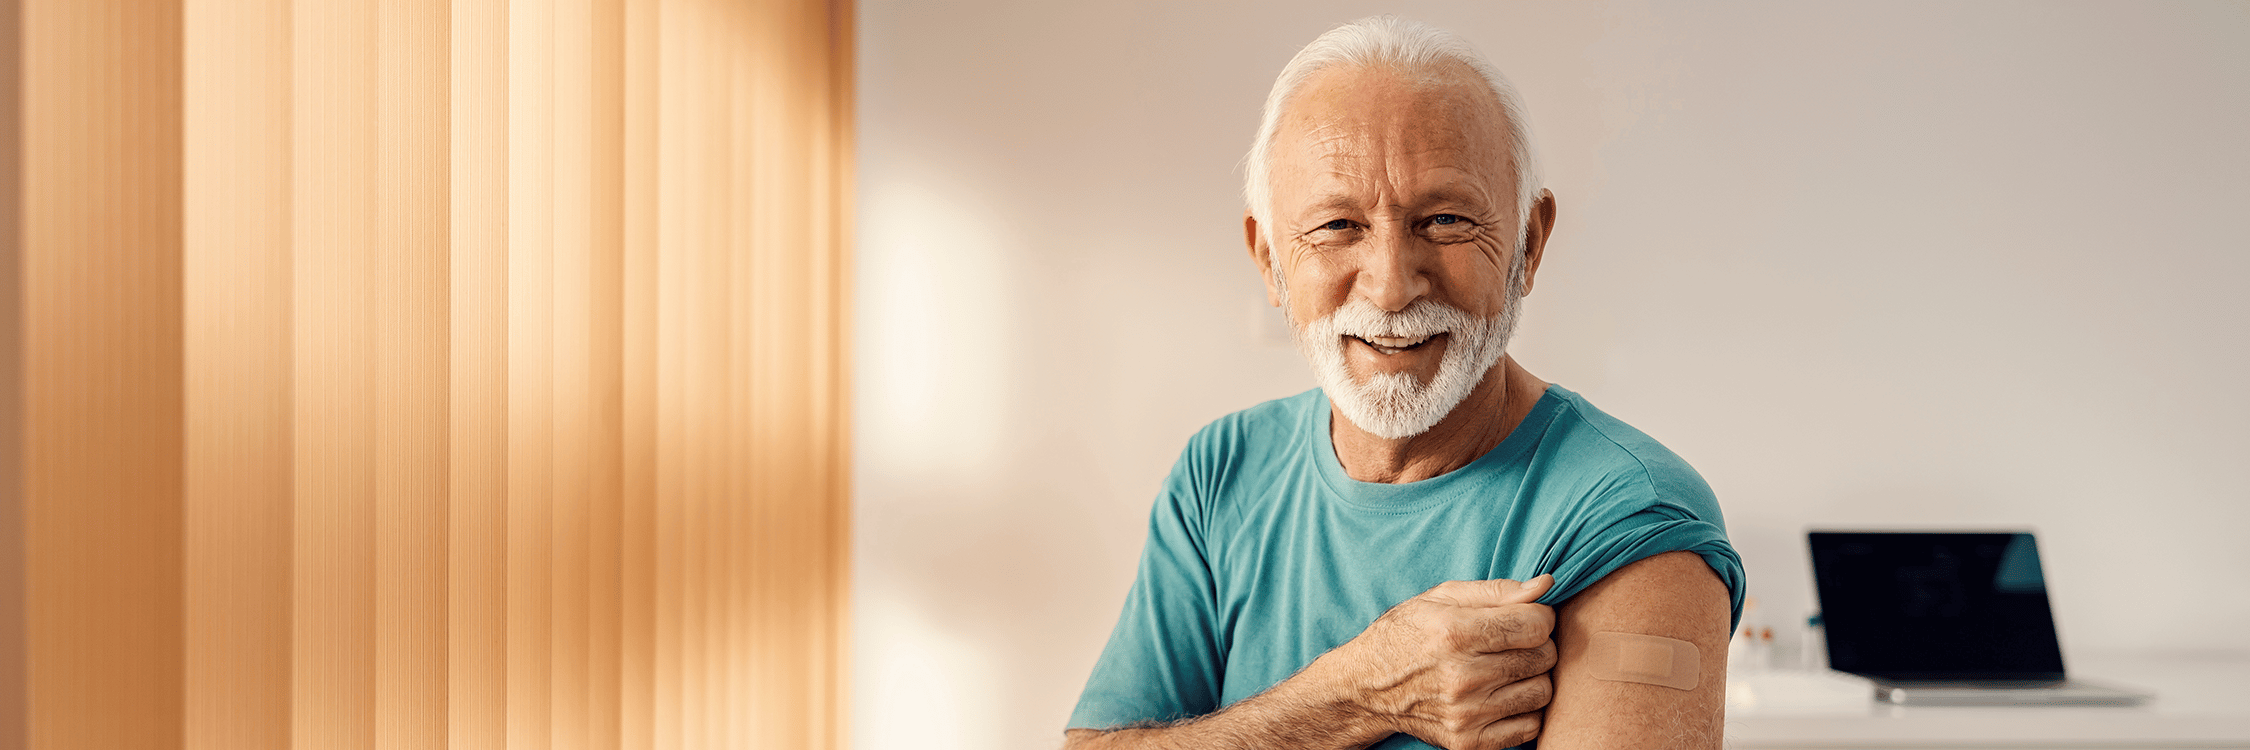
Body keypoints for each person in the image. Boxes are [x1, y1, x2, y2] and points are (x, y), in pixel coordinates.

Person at [1061, 16, 1746, 750]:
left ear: (1529, 245)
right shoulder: (1222, 470)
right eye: (1336, 226)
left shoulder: (1633, 519)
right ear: (1269, 261)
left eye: (1445, 219)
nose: (1390, 287)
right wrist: (1352, 695)